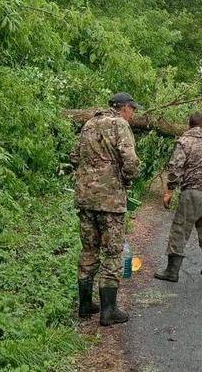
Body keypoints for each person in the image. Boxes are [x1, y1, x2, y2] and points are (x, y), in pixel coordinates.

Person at [70, 92, 140, 326]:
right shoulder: (120, 125)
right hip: (110, 201)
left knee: (89, 250)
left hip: (86, 199)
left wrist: (89, 175)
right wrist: (127, 180)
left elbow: (73, 157)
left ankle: (85, 305)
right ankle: (108, 311)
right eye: (133, 109)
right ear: (125, 108)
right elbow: (130, 161)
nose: (133, 114)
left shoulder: (88, 124)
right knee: (112, 252)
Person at [155, 112, 202, 282]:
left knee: (180, 229)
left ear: (189, 125)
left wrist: (169, 190)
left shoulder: (184, 142)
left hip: (193, 191)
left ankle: (171, 272)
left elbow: (175, 167)